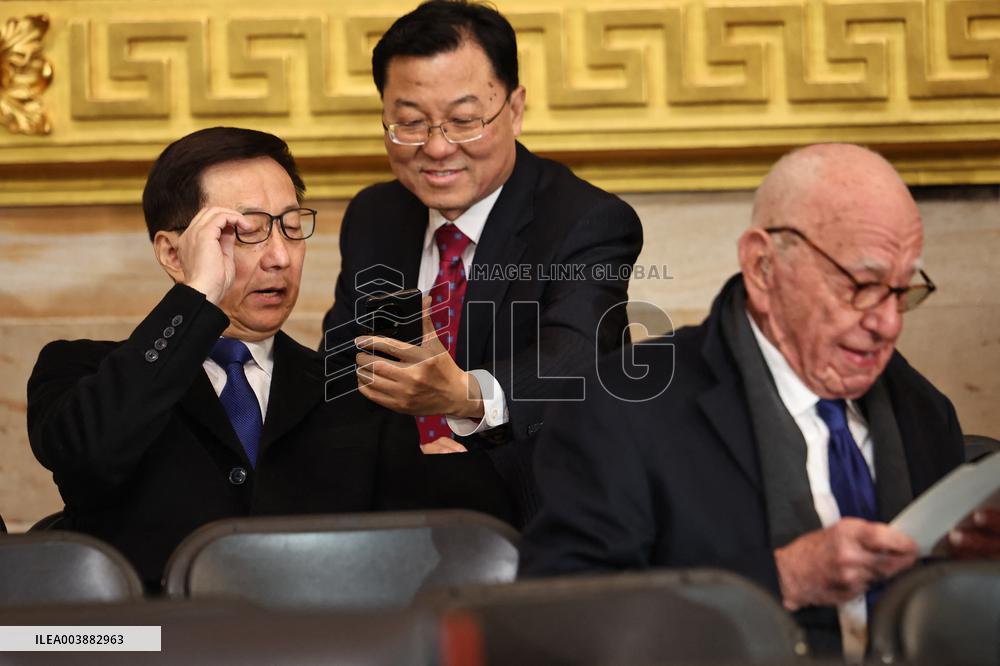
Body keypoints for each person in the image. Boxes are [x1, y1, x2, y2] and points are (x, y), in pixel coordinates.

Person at [519, 143, 1000, 656]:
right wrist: (781, 580)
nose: (887, 324)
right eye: (862, 285)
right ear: (763, 267)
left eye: (902, 292)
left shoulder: (923, 411)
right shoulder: (621, 408)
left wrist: (971, 577)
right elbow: (562, 623)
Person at [27, 127, 419, 588]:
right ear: (173, 254)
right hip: (151, 631)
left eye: (292, 228)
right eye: (247, 232)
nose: (280, 257)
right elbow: (88, 456)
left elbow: (427, 550)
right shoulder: (80, 370)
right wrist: (197, 295)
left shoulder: (354, 386)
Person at [321, 0, 643, 524]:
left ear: (514, 109)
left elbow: (575, 360)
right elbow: (343, 369)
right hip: (391, 516)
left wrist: (466, 396)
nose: (436, 148)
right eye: (410, 122)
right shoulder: (376, 215)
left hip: (536, 514)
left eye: (464, 121)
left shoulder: (587, 220)